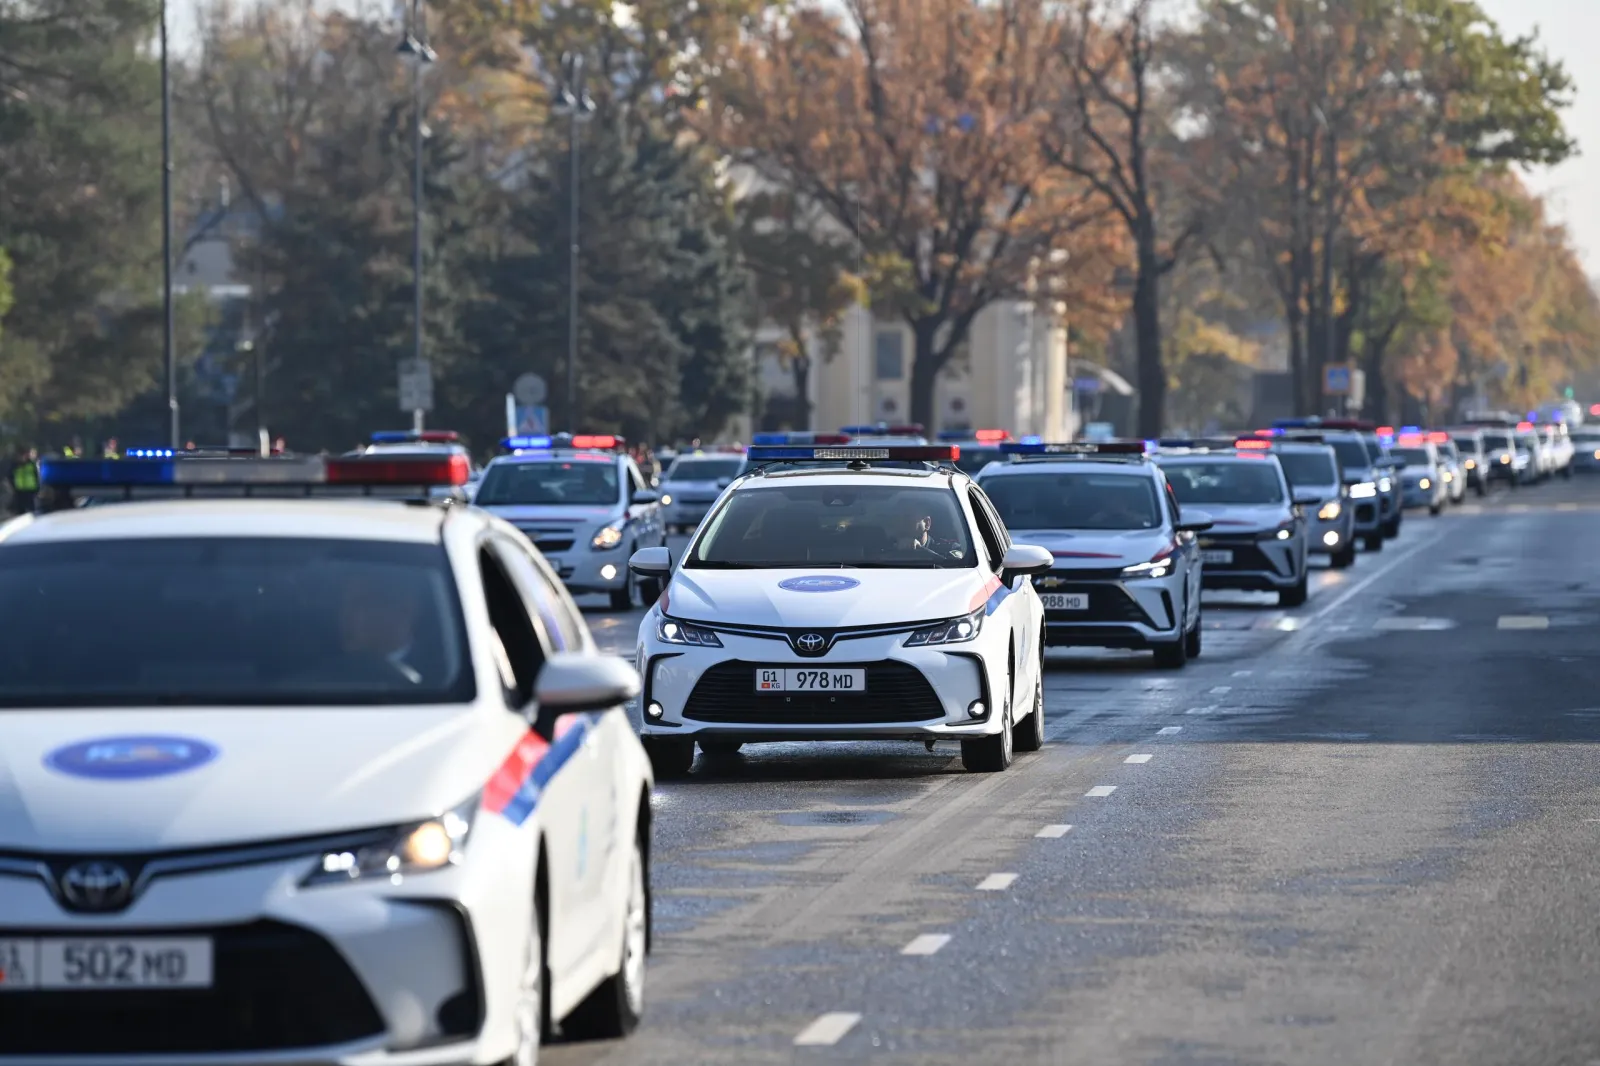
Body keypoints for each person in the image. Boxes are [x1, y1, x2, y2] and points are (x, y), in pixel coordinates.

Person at [337, 571, 424, 685]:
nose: (347, 615)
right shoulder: (322, 675)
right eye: (347, 604)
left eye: (362, 602)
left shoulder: (442, 673)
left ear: (406, 608)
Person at [7, 447, 39, 516]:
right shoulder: (14, 465)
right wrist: (13, 487)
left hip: (30, 490)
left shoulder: (31, 464)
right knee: (20, 512)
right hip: (19, 490)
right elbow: (10, 476)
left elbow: (36, 476)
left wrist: (37, 488)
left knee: (32, 511)